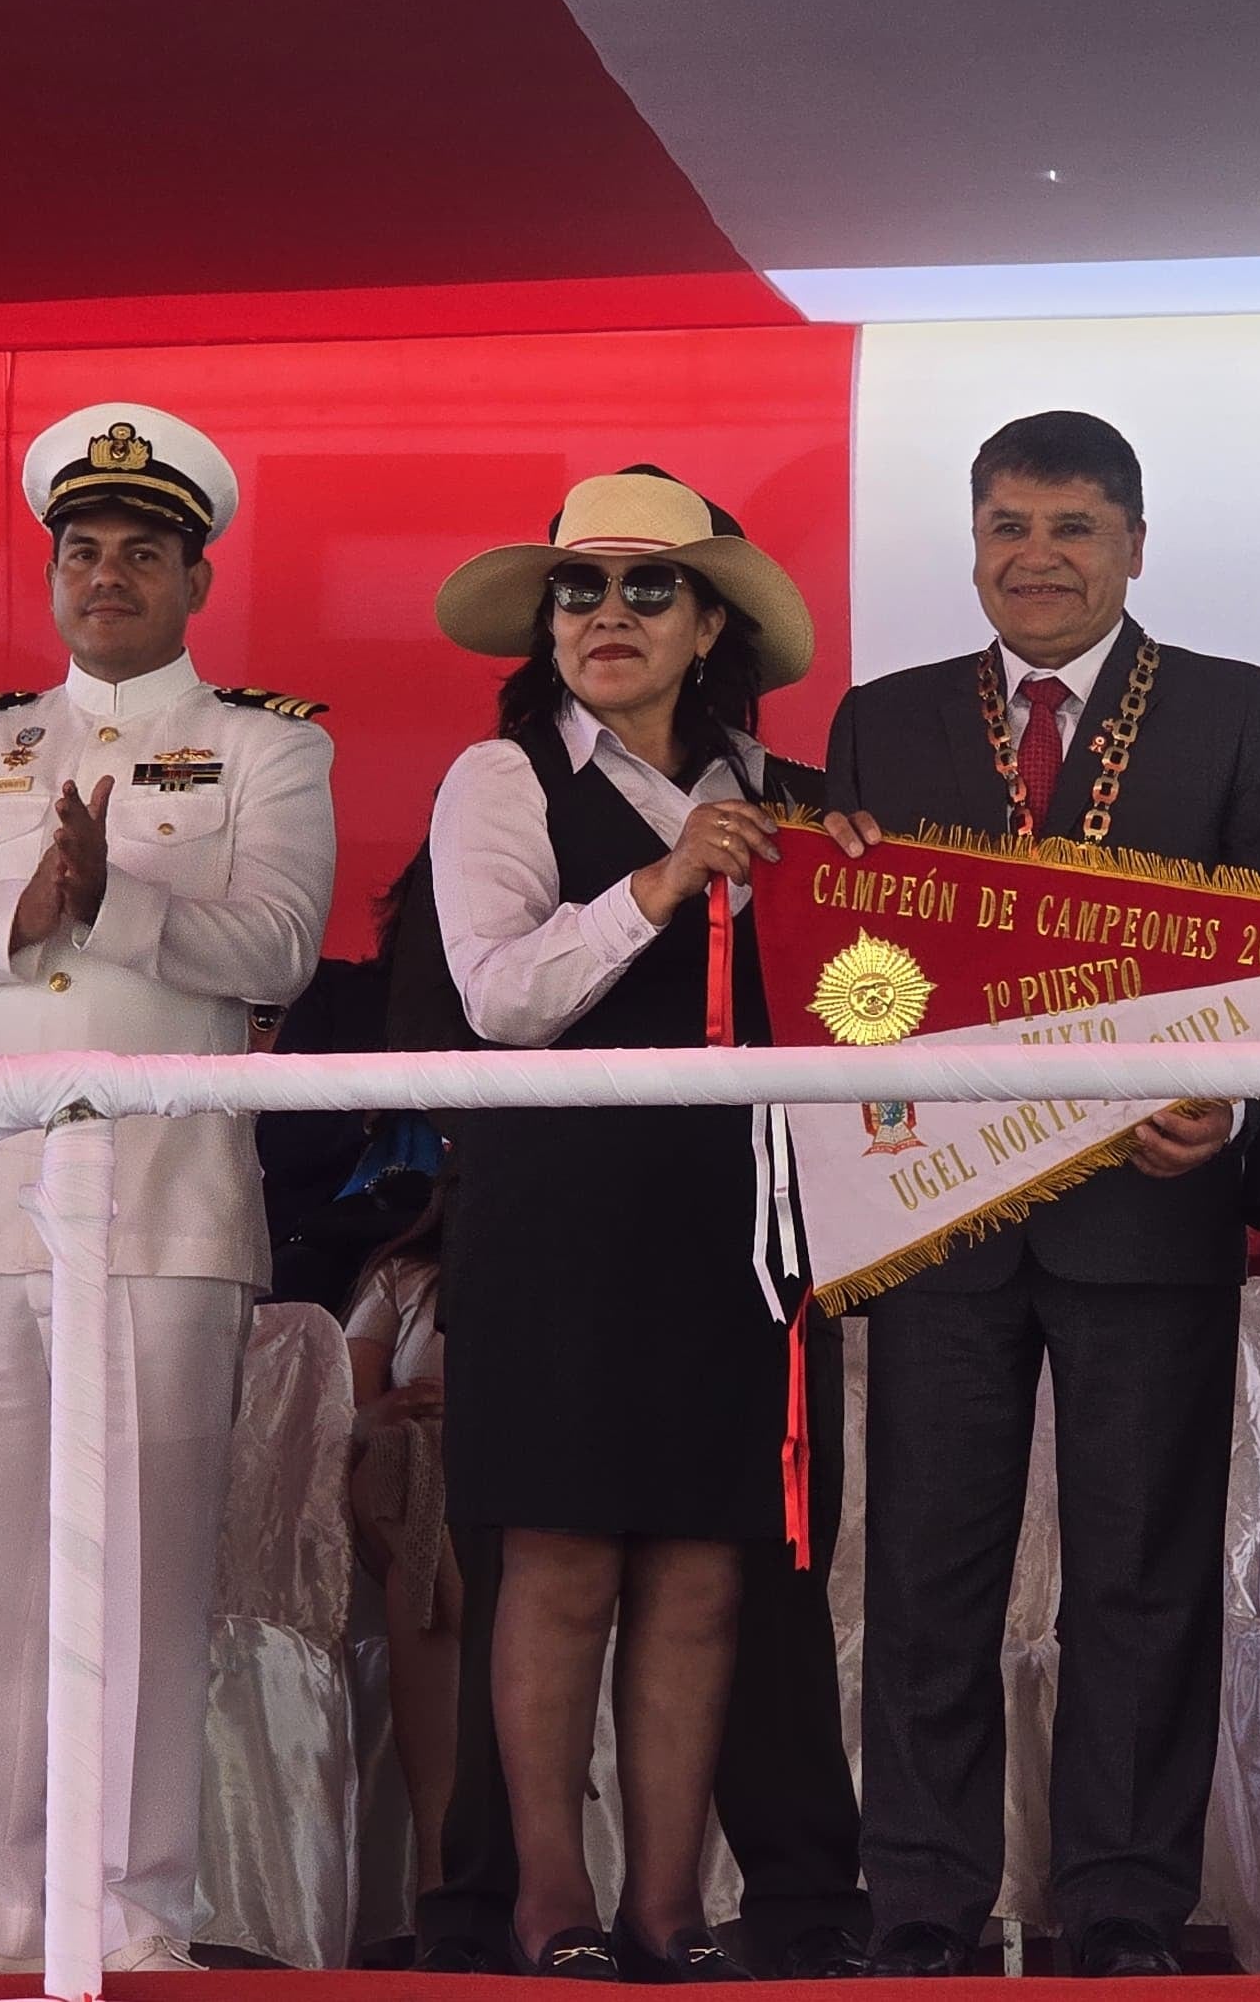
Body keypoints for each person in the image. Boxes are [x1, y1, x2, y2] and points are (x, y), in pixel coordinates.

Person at [817, 409, 1260, 1979]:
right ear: (972, 545)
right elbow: (853, 979)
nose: (1037, 558)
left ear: (1135, 546)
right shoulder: (882, 720)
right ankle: (921, 1901)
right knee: (925, 1576)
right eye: (1008, 528)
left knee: (1141, 1576)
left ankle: (1119, 1903)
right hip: (946, 1210)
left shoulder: (1236, 711)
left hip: (1145, 1202)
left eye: (1073, 528)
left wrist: (1226, 1093)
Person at [0, 403, 337, 1978]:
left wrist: (114, 897)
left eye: (141, 552)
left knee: (144, 1566)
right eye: (81, 550)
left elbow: (277, 948)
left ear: (197, 578)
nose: (105, 575)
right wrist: (20, 905)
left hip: (166, 1200)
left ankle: (136, 1912)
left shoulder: (272, 741)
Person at [422, 464, 826, 1981]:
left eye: (648, 587)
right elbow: (497, 995)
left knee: (704, 1567)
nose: (608, 615)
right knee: (565, 1556)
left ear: (709, 619)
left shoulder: (779, 796)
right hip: (561, 1212)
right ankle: (547, 1899)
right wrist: (661, 885)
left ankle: (665, 1910)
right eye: (579, 589)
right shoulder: (500, 779)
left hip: (735, 1216)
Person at [339, 1192, 454, 1908]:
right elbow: (343, 1408)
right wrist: (376, 1413)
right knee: (425, 1515)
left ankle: (455, 1878)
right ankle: (442, 1872)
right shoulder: (406, 1274)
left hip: (525, 1469)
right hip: (412, 1474)